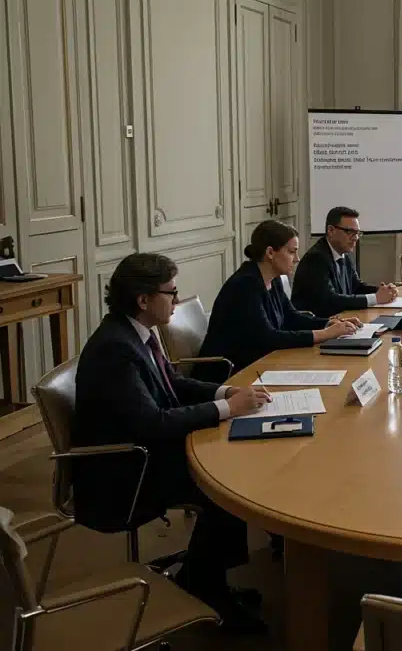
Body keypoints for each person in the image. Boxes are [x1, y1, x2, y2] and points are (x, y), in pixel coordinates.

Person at [73, 253, 274, 632]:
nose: (176, 301)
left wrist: (226, 391)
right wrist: (227, 409)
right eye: (171, 293)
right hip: (126, 470)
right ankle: (204, 587)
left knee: (230, 471)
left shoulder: (137, 332)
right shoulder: (116, 348)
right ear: (143, 299)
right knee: (225, 485)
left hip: (148, 450)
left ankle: (207, 581)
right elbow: (152, 421)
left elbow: (172, 386)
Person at [194, 221, 360, 383]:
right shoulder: (245, 285)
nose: (297, 259)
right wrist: (324, 335)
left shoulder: (273, 279)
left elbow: (290, 317)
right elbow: (268, 338)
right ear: (270, 253)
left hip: (260, 365)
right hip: (229, 376)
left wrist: (330, 324)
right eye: (291, 252)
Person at [291, 206, 400, 314]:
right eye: (349, 232)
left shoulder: (343, 253)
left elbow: (356, 287)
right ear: (331, 230)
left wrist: (383, 291)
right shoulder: (316, 258)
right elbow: (330, 301)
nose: (355, 238)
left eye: (357, 233)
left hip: (339, 320)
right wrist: (375, 298)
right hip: (317, 325)